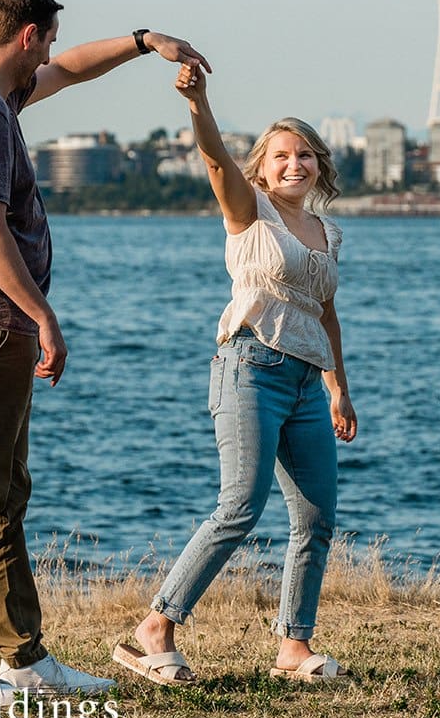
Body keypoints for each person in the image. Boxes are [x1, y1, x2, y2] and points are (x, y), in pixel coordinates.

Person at [0, 0, 209, 704]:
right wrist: (42, 314)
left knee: (4, 492)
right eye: (44, 40)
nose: (49, 54)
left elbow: (74, 67)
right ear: (25, 35)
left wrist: (145, 43)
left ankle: (22, 656)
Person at [113, 64, 357, 686]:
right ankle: (154, 630)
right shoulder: (250, 213)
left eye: (305, 154)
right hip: (249, 367)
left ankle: (293, 648)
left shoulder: (328, 232)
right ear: (263, 167)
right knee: (239, 505)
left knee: (316, 516)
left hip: (306, 382)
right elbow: (218, 161)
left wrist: (338, 389)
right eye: (281, 155)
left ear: (320, 166)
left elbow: (324, 312)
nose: (294, 164)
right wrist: (199, 103)